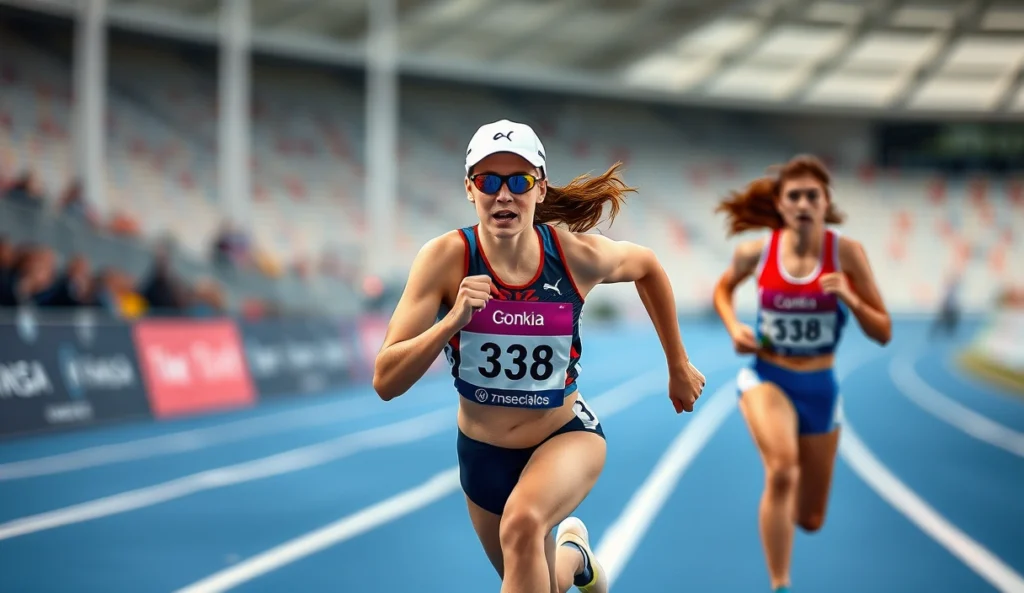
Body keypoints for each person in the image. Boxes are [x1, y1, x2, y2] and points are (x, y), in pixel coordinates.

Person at [373, 119, 706, 593]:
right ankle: (577, 558)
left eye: (519, 181)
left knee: (522, 524)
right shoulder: (446, 258)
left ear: (540, 188)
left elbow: (648, 266)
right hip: (482, 456)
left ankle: (565, 550)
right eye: (489, 181)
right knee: (543, 583)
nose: (503, 195)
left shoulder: (573, 256)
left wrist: (677, 364)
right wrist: (450, 323)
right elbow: (385, 381)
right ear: (470, 189)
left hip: (564, 436)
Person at [712, 155, 891, 593]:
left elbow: (883, 331)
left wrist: (849, 295)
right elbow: (723, 288)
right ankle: (780, 584)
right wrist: (735, 326)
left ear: (826, 201)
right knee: (782, 472)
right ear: (780, 203)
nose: (804, 203)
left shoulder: (845, 253)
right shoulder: (757, 251)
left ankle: (783, 516)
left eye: (813, 195)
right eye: (795, 195)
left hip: (820, 388)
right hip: (767, 377)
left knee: (810, 518)